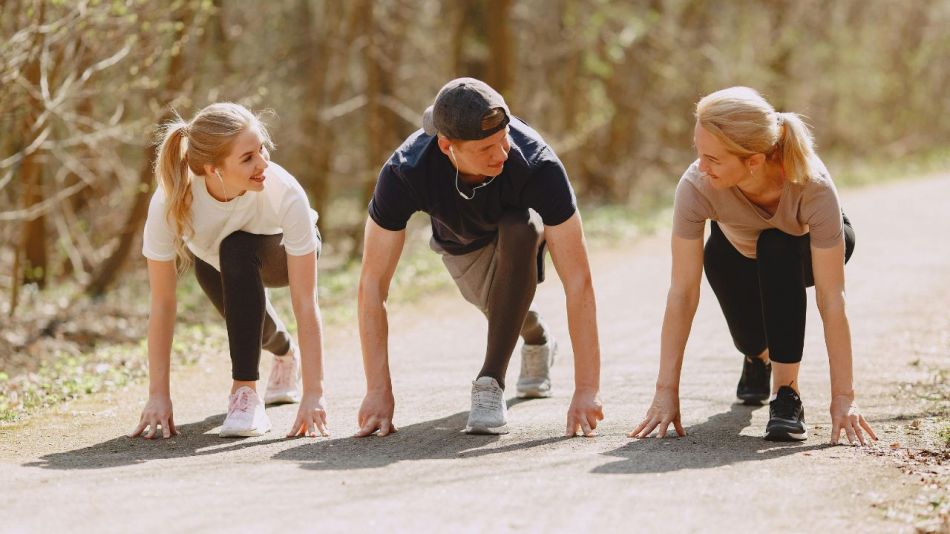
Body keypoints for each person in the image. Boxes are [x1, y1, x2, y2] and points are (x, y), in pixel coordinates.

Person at [356, 78, 604, 436]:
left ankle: (489, 384)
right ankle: (537, 338)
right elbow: (372, 285)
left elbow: (579, 280)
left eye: (504, 139)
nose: (501, 153)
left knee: (519, 226)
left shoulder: (537, 164)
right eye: (486, 147)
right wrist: (378, 392)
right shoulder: (406, 171)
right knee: (505, 313)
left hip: (518, 232)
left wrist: (586, 390)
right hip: (462, 245)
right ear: (446, 146)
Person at [631, 87, 877, 445]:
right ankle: (758, 358)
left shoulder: (811, 185)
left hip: (803, 249)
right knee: (749, 338)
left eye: (713, 158)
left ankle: (786, 396)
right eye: (699, 153)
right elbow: (682, 292)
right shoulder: (697, 185)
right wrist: (665, 390)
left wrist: (844, 398)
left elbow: (831, 297)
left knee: (776, 246)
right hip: (734, 250)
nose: (702, 166)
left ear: (754, 161)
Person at [129, 103, 329, 439]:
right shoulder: (170, 201)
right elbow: (162, 304)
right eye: (248, 157)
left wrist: (314, 395)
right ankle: (284, 354)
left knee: (236, 247)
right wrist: (157, 396)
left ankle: (245, 395)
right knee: (245, 314)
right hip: (217, 261)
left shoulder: (284, 190)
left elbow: (306, 302)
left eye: (262, 149)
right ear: (212, 169)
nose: (263, 162)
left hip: (281, 253)